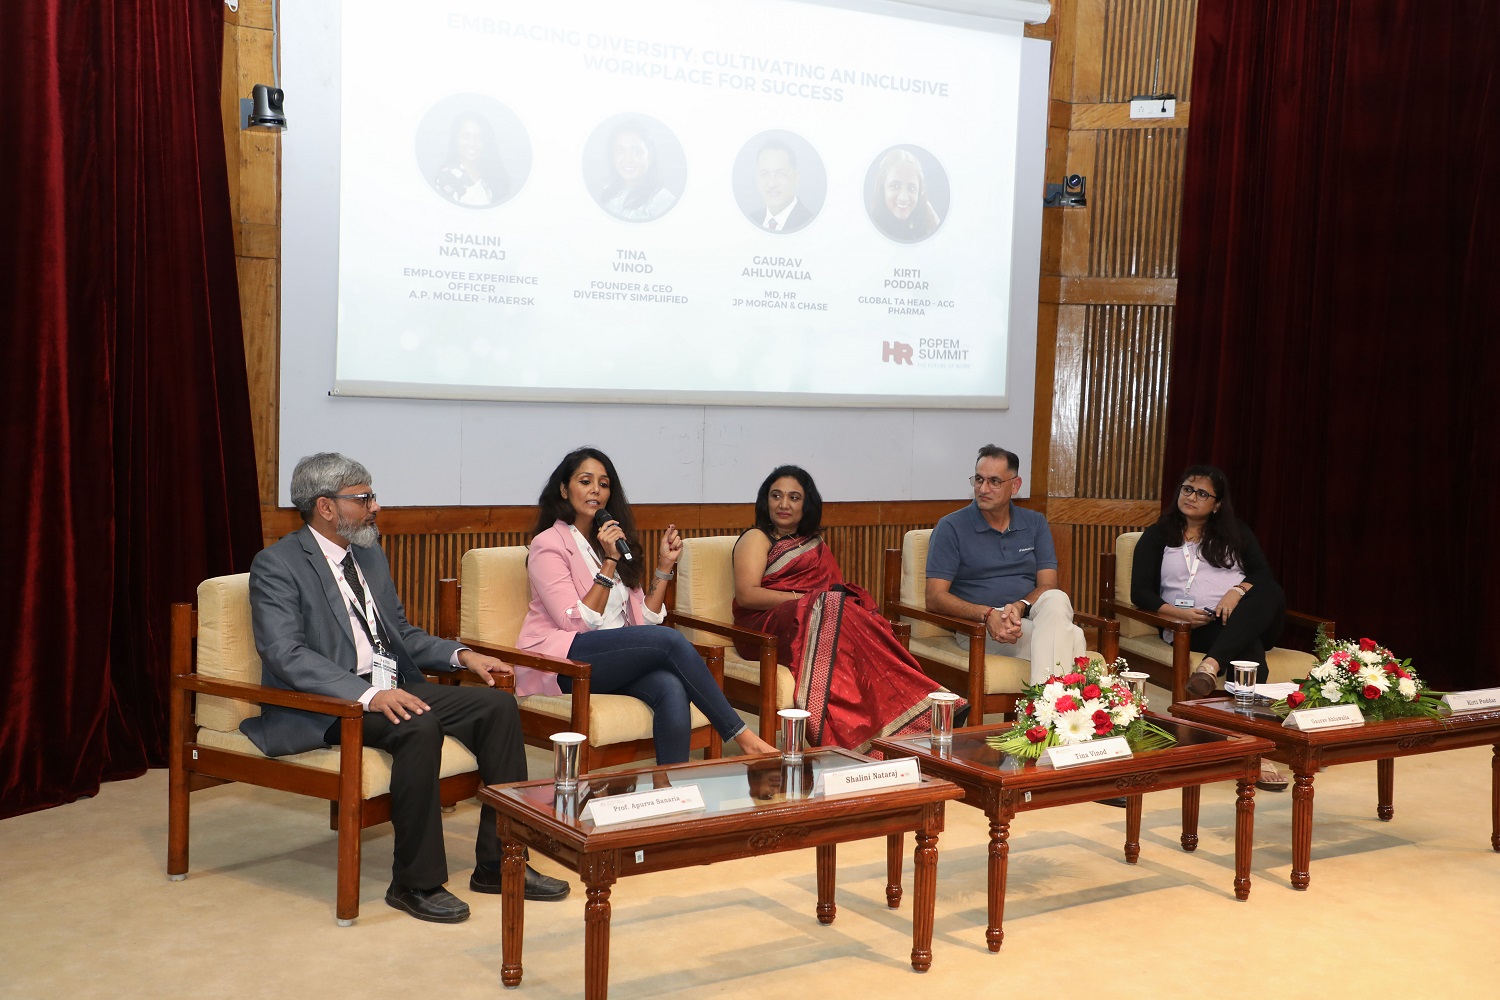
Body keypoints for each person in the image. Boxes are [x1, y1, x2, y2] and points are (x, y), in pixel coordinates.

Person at [245, 453, 569, 924]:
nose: (375, 506)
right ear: (326, 507)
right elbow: (285, 653)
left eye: (372, 495)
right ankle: (414, 882)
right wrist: (369, 696)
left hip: (385, 685)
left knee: (497, 707)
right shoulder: (277, 564)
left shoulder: (369, 555)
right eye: (363, 497)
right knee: (417, 723)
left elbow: (400, 632)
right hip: (326, 702)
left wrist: (462, 655)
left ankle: (501, 862)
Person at [516, 447, 777, 763]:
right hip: (564, 660)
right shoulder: (549, 544)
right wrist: (610, 561)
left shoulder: (607, 542)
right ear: (563, 489)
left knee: (669, 686)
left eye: (604, 483)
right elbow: (574, 622)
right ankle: (742, 735)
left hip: (609, 658)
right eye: (586, 481)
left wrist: (664, 566)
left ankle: (669, 791)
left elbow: (644, 620)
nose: (596, 490)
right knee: (670, 641)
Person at [731, 466, 961, 753]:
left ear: (807, 504)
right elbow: (747, 595)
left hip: (813, 620)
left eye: (794, 497)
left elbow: (831, 593)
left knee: (848, 607)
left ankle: (890, 728)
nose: (784, 504)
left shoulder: (814, 544)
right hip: (764, 631)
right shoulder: (758, 538)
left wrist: (816, 602)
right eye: (776, 496)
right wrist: (805, 599)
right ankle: (921, 703)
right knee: (833, 606)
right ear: (766, 501)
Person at [925, 445, 1086, 683]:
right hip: (982, 627)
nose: (983, 488)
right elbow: (934, 597)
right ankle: (1047, 715)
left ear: (1015, 485)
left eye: (994, 481)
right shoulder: (951, 527)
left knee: (1057, 598)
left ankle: (1043, 714)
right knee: (1074, 637)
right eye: (979, 479)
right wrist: (987, 614)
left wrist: (1020, 606)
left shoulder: (1034, 523)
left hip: (1029, 616)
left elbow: (1048, 585)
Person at [599, 120, 677, 221]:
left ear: (650, 155)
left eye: (637, 151)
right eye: (620, 151)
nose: (628, 159)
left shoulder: (663, 200)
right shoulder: (606, 192)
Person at [433, 113, 510, 207]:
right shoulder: (446, 177)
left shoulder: (490, 172)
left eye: (478, 138)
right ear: (456, 139)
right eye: (466, 136)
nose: (472, 143)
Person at [868, 148, 941, 243]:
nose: (903, 197)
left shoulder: (930, 230)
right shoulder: (869, 230)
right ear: (883, 189)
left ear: (919, 193)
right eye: (895, 186)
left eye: (911, 189)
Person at [746, 139, 814, 233]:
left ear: (796, 178)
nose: (771, 184)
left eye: (781, 174)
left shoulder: (811, 224)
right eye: (765, 173)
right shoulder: (748, 222)